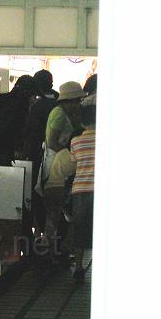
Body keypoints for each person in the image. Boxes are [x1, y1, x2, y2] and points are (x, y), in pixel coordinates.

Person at [22, 70, 59, 239]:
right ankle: (52, 232)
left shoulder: (36, 106)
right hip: (59, 156)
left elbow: (30, 133)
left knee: (37, 193)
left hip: (38, 155)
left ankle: (38, 230)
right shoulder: (59, 102)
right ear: (51, 83)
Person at [70, 95, 96, 282]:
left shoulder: (75, 142)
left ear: (82, 122)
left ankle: (78, 268)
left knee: (80, 229)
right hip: (101, 191)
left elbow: (73, 164)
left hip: (80, 191)